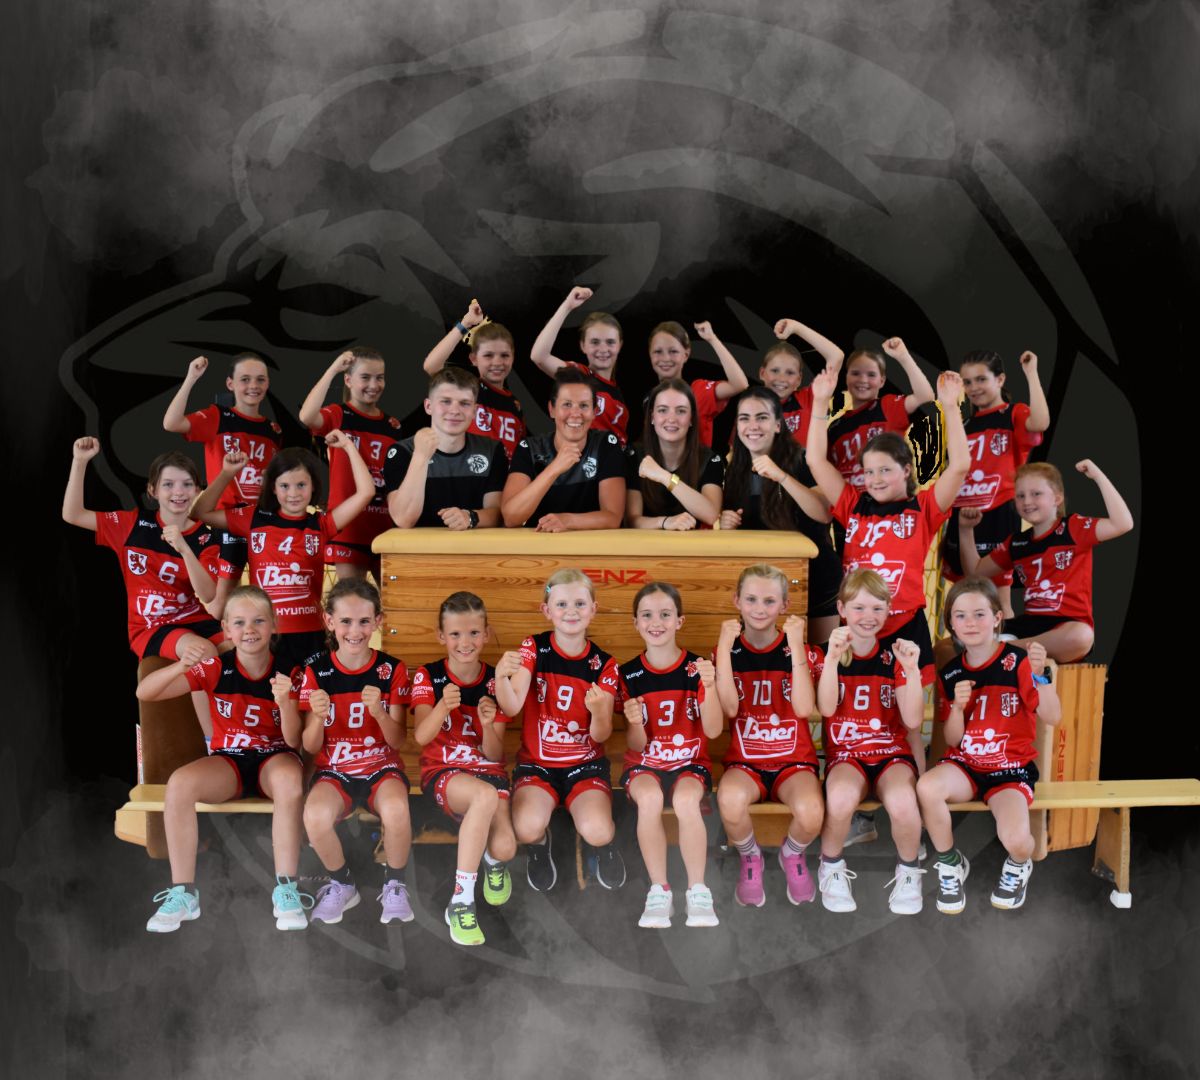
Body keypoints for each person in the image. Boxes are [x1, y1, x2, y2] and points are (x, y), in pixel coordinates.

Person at [135, 587, 308, 932]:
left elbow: (294, 741)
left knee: (290, 780)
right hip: (229, 761)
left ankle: (286, 889)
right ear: (227, 629)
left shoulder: (291, 672)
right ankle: (184, 893)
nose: (249, 629)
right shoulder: (215, 667)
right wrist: (180, 666)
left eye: (259, 621)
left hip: (275, 758)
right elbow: (145, 693)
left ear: (274, 625)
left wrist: (286, 703)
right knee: (180, 783)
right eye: (239, 623)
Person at [807, 367, 969, 686]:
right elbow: (815, 460)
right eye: (869, 472)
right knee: (851, 702)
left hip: (904, 626)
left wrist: (950, 407)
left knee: (907, 710)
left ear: (906, 470)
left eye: (885, 470)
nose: (875, 479)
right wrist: (820, 402)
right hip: (857, 625)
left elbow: (960, 466)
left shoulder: (923, 508)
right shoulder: (853, 504)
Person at [917, 577, 1061, 913]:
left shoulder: (1019, 661)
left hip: (1009, 770)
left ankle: (1018, 865)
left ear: (997, 618)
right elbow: (953, 739)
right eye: (960, 616)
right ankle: (951, 864)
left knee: (1017, 841)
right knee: (927, 787)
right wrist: (956, 708)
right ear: (951, 623)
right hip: (966, 766)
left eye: (979, 614)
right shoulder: (952, 672)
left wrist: (1040, 676)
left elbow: (1053, 716)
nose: (970, 622)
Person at [191, 435, 375, 676]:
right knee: (270, 696)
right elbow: (199, 512)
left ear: (313, 486)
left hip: (310, 637)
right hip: (266, 636)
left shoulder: (321, 524)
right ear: (273, 488)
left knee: (311, 696)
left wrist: (349, 446)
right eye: (285, 486)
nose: (293, 493)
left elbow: (366, 492)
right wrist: (227, 474)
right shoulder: (253, 518)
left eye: (301, 485)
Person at [493, 568, 625, 892]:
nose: (571, 611)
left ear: (593, 609)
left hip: (585, 766)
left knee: (597, 830)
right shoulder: (534, 647)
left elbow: (601, 735)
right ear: (546, 610)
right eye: (562, 604)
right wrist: (500, 677)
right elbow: (512, 706)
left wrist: (599, 711)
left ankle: (603, 848)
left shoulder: (604, 664)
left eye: (580, 604)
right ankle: (540, 847)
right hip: (537, 766)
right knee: (526, 828)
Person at [296, 578, 414, 925]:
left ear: (378, 621)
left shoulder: (392, 669)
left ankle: (395, 885)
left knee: (396, 808)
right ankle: (343, 884)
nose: (355, 630)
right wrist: (318, 718)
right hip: (335, 770)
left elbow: (398, 741)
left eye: (364, 621)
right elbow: (310, 746)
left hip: (381, 766)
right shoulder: (316, 671)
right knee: (314, 815)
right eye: (345, 621)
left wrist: (379, 712)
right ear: (329, 621)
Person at [813, 571, 926, 915]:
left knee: (903, 801)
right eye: (859, 607)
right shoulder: (827, 653)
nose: (868, 616)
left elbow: (912, 720)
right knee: (841, 797)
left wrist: (912, 670)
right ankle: (831, 866)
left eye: (877, 608)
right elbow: (826, 708)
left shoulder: (895, 656)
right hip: (847, 754)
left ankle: (909, 873)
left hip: (890, 753)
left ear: (888, 610)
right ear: (842, 609)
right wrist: (832, 660)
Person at [410, 592, 517, 947]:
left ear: (486, 634)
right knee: (483, 796)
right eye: (455, 634)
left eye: (473, 633)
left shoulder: (495, 681)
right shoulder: (429, 675)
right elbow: (421, 737)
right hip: (446, 771)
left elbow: (495, 753)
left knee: (505, 848)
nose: (465, 642)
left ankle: (490, 858)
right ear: (441, 636)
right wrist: (442, 707)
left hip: (488, 771)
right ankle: (461, 901)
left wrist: (487, 723)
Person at [714, 565, 822, 909]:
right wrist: (723, 647)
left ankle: (792, 855)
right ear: (737, 601)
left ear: (784, 605)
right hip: (746, 763)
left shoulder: (801, 650)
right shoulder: (727, 650)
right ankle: (751, 858)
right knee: (729, 800)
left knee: (811, 813)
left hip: (793, 761)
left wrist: (796, 646)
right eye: (751, 599)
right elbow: (730, 708)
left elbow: (803, 708)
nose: (759, 608)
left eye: (769, 601)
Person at [619, 582, 725, 928]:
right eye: (647, 615)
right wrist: (635, 721)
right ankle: (659, 891)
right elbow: (636, 745)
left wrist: (710, 686)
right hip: (645, 765)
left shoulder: (697, 668)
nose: (656, 622)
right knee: (649, 799)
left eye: (665, 614)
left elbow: (713, 731)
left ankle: (698, 890)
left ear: (679, 621)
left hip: (689, 764)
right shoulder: (628, 674)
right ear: (636, 623)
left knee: (685, 801)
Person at [62, 438, 222, 663]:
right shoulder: (132, 524)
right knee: (204, 652)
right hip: (151, 626)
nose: (178, 492)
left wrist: (185, 549)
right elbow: (73, 515)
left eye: (187, 484)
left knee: (242, 650)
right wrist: (79, 461)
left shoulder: (205, 538)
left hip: (193, 618)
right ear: (152, 490)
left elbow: (208, 595)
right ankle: (158, 681)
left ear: (197, 490)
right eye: (168, 484)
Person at [958, 459, 1133, 662]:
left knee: (1082, 636)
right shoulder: (1016, 543)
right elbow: (974, 572)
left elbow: (1123, 524)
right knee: (950, 644)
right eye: (1020, 496)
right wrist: (965, 529)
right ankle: (999, 647)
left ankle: (1002, 648)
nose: (1027, 501)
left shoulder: (1073, 528)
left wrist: (1098, 476)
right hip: (1029, 625)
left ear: (1057, 498)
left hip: (1064, 625)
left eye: (1036, 494)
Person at [162, 353, 283, 616]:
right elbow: (171, 423)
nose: (253, 385)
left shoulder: (272, 429)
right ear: (230, 384)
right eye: (245, 379)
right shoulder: (218, 416)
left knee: (268, 594)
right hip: (227, 519)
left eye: (260, 379)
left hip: (262, 521)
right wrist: (191, 378)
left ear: (267, 383)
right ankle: (212, 639)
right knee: (221, 603)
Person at [720, 388, 842, 643]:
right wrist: (727, 525)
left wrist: (782, 477)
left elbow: (824, 513)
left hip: (815, 580)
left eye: (762, 417)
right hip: (766, 591)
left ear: (777, 425)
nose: (752, 425)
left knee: (822, 658)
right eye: (744, 418)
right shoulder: (735, 469)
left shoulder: (804, 460)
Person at [942, 349, 1050, 617]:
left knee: (998, 600)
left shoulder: (1013, 414)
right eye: (967, 382)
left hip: (998, 513)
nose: (973, 388)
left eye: (981, 379)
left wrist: (1031, 373)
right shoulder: (964, 424)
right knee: (962, 596)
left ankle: (1005, 644)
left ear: (1000, 379)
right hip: (961, 515)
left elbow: (1040, 423)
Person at [298, 346, 403, 582]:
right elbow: (306, 416)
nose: (373, 385)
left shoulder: (393, 425)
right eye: (365, 377)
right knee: (350, 598)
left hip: (384, 526)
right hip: (349, 526)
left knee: (393, 600)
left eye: (379, 377)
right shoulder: (338, 415)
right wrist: (332, 370)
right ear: (348, 380)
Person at [500, 367, 625, 532]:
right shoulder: (529, 448)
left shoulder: (605, 444)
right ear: (552, 409)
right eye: (567, 404)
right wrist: (554, 468)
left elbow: (613, 517)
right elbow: (510, 517)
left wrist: (567, 521)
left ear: (594, 412)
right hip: (541, 545)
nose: (575, 413)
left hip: (590, 546)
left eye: (584, 405)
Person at [384, 367, 508, 530]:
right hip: (418, 546)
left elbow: (498, 514)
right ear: (428, 406)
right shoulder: (402, 452)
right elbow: (403, 519)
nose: (455, 411)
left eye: (464, 403)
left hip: (474, 545)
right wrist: (420, 456)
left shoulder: (491, 450)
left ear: (474, 411)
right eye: (446, 401)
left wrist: (470, 517)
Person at [824, 338, 935, 491]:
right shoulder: (834, 428)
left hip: (887, 500)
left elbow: (925, 396)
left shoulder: (888, 406)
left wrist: (903, 356)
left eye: (871, 375)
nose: (863, 380)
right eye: (855, 373)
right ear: (846, 377)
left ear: (882, 381)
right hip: (849, 503)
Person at [423, 300, 525, 460]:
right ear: (473, 359)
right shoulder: (466, 388)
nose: (497, 362)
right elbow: (431, 366)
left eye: (504, 355)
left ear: (513, 358)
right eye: (488, 355)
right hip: (469, 471)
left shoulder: (515, 405)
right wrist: (465, 324)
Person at [531, 286, 630, 444]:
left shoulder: (620, 397)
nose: (603, 349)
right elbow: (539, 356)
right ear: (583, 346)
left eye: (610, 342)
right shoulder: (578, 375)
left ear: (620, 345)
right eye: (595, 342)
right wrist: (567, 306)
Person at [626, 378, 723, 530]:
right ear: (652, 417)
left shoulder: (709, 459)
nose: (671, 419)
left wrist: (665, 477)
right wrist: (665, 522)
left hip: (691, 544)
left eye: (681, 411)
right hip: (644, 543)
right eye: (662, 410)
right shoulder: (634, 455)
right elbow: (631, 520)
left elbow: (711, 515)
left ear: (691, 419)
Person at [647, 321, 750, 446]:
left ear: (686, 354)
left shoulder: (699, 392)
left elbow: (739, 384)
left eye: (673, 351)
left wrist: (712, 339)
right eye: (658, 351)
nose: (666, 358)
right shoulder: (649, 400)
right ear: (650, 354)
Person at [760, 316, 845, 446]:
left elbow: (836, 356)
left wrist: (796, 327)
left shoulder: (810, 399)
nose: (782, 378)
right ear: (762, 373)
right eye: (775, 371)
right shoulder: (750, 406)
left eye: (790, 372)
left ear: (799, 379)